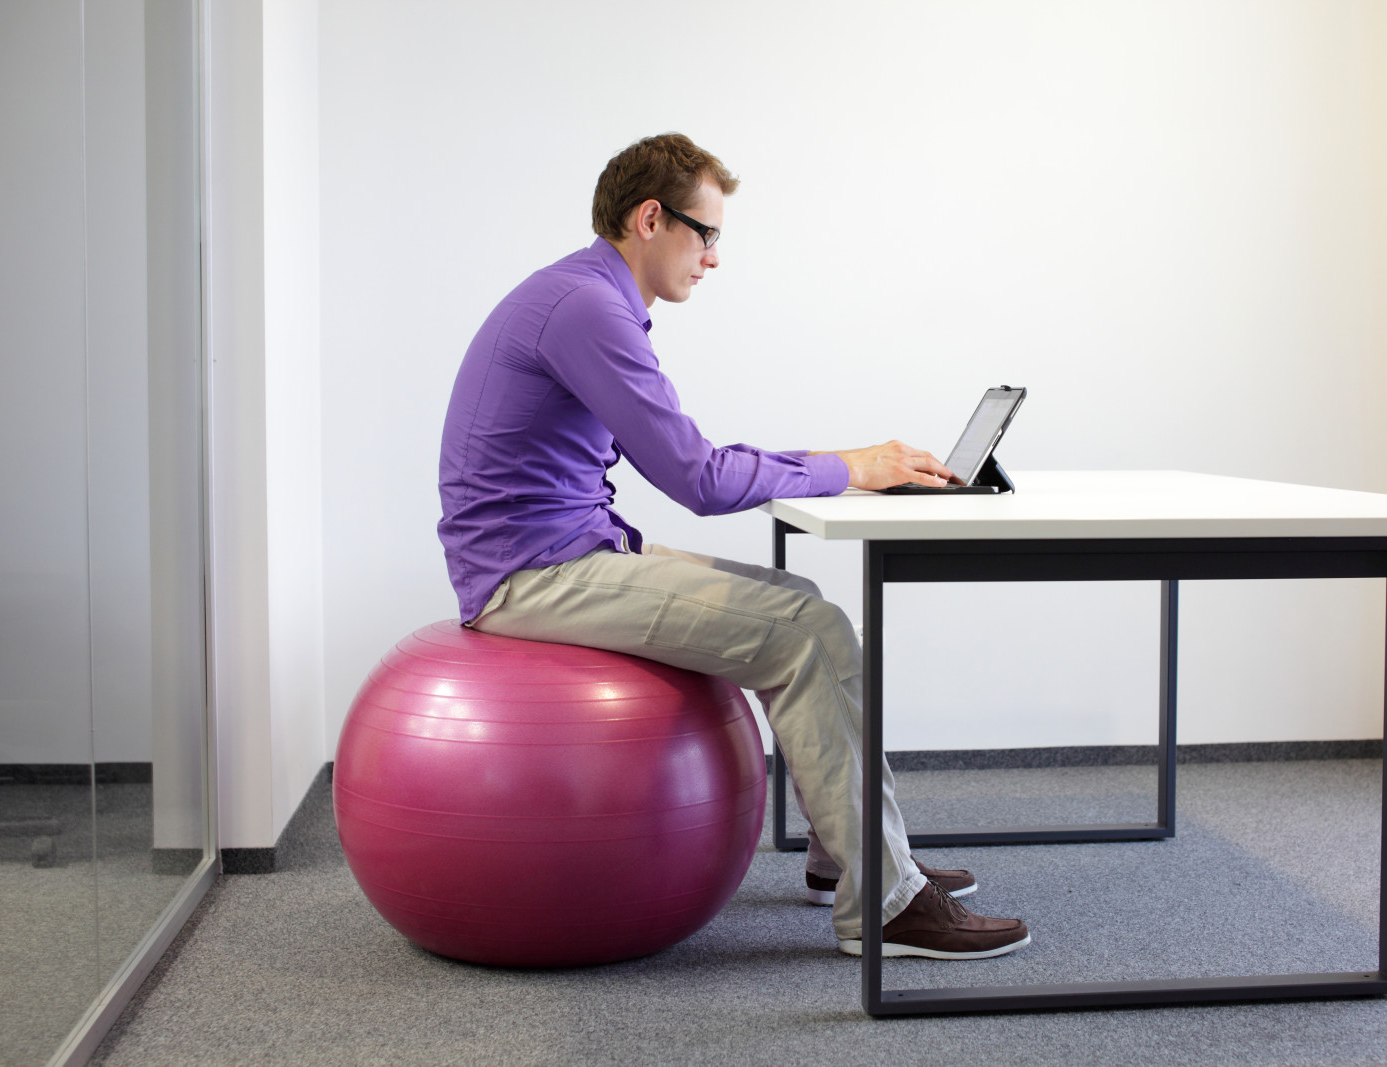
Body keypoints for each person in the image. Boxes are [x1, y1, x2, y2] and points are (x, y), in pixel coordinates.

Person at [437, 133, 1029, 960]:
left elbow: (701, 462)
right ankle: (888, 903)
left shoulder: (586, 295)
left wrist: (848, 468)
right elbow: (700, 478)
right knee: (800, 634)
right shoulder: (588, 310)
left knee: (812, 611)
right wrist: (851, 464)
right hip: (530, 576)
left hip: (570, 548)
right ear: (651, 218)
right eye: (705, 233)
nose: (713, 258)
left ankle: (853, 853)